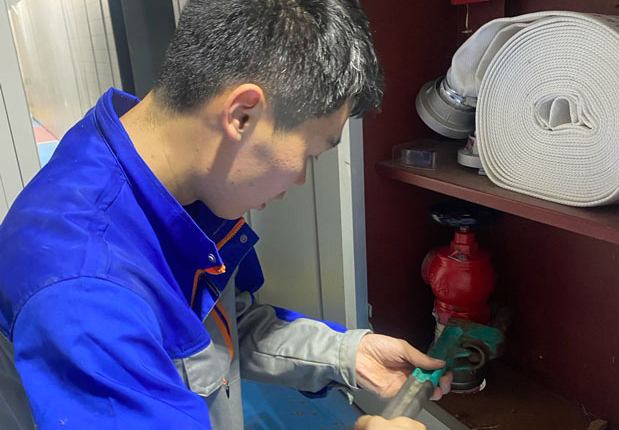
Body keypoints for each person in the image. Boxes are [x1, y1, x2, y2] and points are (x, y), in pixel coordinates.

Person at [0, 0, 451, 429]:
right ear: (242, 115)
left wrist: (346, 355)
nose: (299, 180)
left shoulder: (173, 183)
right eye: (311, 153)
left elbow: (220, 331)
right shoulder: (86, 294)